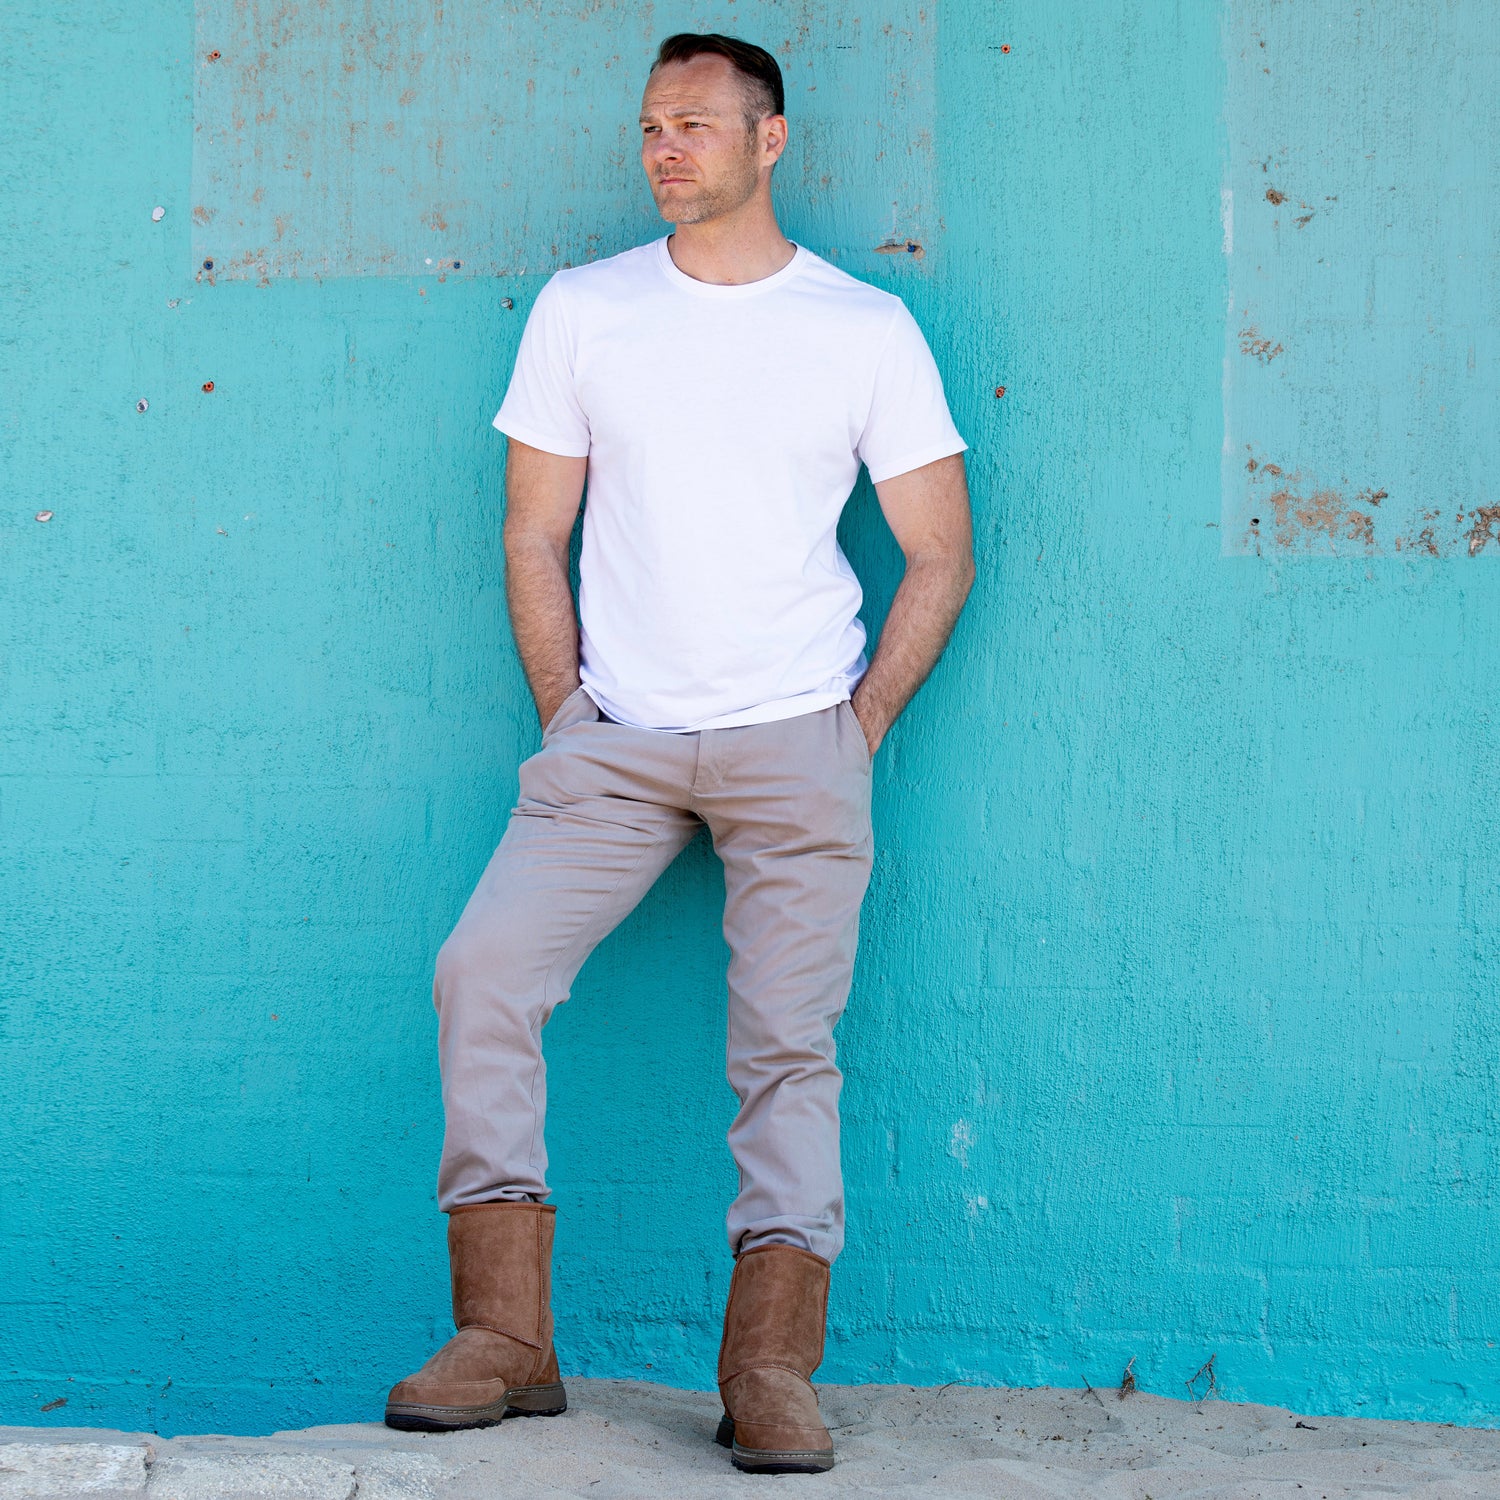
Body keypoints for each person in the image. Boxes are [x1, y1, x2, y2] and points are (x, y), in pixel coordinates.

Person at [385, 31, 974, 1475]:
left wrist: (854, 732)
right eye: (653, 124)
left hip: (797, 741)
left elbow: (941, 554)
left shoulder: (863, 328)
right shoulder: (586, 310)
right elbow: (534, 531)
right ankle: (506, 1337)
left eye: (698, 124)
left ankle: (769, 1366)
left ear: (771, 142)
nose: (666, 147)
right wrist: (567, 712)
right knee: (480, 973)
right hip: (616, 745)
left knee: (786, 1052)